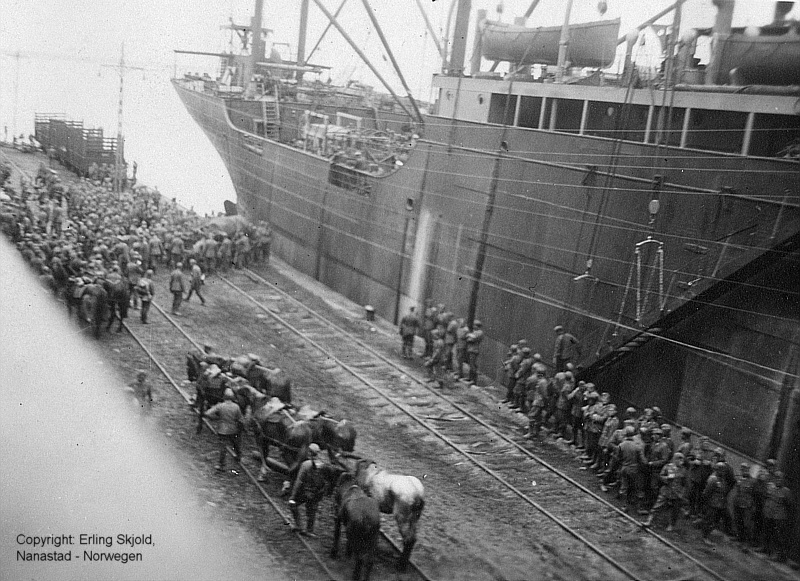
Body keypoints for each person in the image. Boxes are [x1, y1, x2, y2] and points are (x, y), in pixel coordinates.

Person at [288, 443, 327, 537]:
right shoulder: (323, 465)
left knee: (292, 504)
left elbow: (299, 481)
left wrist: (293, 496)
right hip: (316, 494)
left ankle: (299, 526)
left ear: (309, 453)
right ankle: (309, 530)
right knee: (312, 511)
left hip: (304, 492)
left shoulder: (306, 464)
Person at [642, 452, 687, 531]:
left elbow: (685, 483)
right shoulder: (667, 467)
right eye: (679, 459)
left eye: (682, 459)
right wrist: (667, 478)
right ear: (674, 459)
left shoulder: (683, 470)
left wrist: (682, 493)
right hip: (666, 490)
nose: (681, 461)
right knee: (657, 506)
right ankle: (649, 521)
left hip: (677, 493)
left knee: (675, 510)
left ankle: (671, 525)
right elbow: (661, 476)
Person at [203, 388, 244, 472]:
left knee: (223, 448)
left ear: (224, 397)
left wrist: (216, 418)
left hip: (222, 430)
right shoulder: (236, 407)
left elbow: (207, 413)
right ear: (233, 398)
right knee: (236, 444)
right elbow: (241, 419)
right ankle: (238, 457)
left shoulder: (220, 405)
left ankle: (221, 465)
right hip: (233, 429)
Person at [465, 320, 484, 386]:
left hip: (474, 350)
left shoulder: (479, 332)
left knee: (473, 365)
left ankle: (474, 380)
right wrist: (469, 336)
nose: (473, 326)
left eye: (474, 325)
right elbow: (468, 337)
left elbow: (471, 339)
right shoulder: (475, 332)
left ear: (477, 326)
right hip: (470, 349)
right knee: (471, 364)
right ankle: (470, 378)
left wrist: (469, 336)